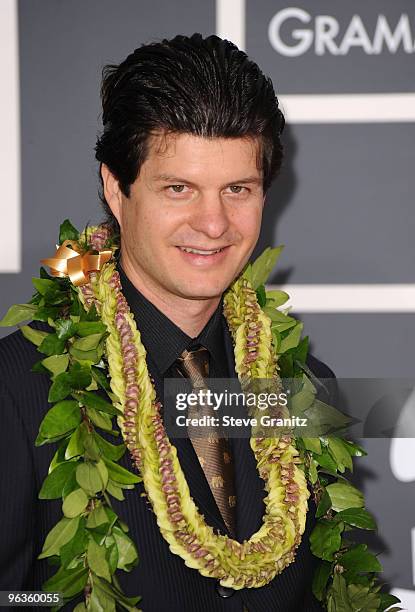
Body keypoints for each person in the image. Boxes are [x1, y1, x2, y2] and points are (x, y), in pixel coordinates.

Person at [0, 33, 334, 611]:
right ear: (116, 187)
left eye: (238, 189)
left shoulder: (302, 385)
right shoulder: (14, 387)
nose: (213, 223)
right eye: (179, 188)